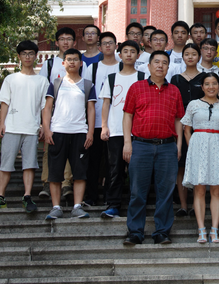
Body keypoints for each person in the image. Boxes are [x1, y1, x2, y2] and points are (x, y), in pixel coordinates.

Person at [122, 51, 185, 246]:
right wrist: (127, 142)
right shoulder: (136, 88)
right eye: (156, 62)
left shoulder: (174, 90)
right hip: (141, 145)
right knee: (137, 191)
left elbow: (178, 119)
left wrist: (179, 145)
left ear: (168, 67)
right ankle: (135, 232)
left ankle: (162, 232)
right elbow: (127, 116)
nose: (160, 66)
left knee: (165, 191)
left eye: (164, 63)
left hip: (167, 147)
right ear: (148, 66)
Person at [0, 40, 49, 213]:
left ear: (36, 56)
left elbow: (44, 106)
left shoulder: (42, 81)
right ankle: (0, 196)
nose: (27, 57)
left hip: (31, 128)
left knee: (29, 164)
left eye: (31, 54)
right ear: (19, 57)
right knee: (5, 163)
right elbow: (4, 102)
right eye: (24, 54)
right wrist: (1, 124)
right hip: (12, 127)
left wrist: (44, 126)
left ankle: (27, 196)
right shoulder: (10, 79)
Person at [181, 74, 219, 243]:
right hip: (198, 148)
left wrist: (215, 143)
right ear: (202, 87)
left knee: (216, 191)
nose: (211, 87)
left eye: (214, 84)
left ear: (218, 86)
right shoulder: (193, 104)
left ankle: (214, 230)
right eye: (207, 84)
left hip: (218, 148)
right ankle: (201, 230)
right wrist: (194, 147)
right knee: (199, 190)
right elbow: (186, 129)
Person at [42, 48, 96, 220]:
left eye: (75, 59)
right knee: (55, 173)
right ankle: (56, 207)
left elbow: (91, 110)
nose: (72, 62)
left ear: (81, 63)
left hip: (79, 132)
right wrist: (47, 129)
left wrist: (90, 133)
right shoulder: (56, 84)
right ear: (63, 63)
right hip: (57, 133)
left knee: (80, 172)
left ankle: (77, 206)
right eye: (69, 59)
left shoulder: (88, 85)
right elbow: (47, 108)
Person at [99, 40, 144, 218]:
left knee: (136, 170)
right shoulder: (112, 78)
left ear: (138, 55)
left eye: (133, 51)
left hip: (138, 133)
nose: (129, 54)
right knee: (115, 169)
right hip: (116, 130)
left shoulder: (142, 77)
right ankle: (113, 205)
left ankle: (136, 204)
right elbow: (106, 103)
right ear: (120, 54)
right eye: (125, 51)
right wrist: (104, 126)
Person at [38, 27, 81, 200]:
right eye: (62, 39)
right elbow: (42, 94)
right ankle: (47, 183)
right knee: (50, 150)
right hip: (54, 114)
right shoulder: (49, 64)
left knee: (70, 152)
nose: (65, 42)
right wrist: (43, 124)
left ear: (74, 42)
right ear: (56, 43)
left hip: (74, 116)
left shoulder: (79, 63)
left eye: (69, 39)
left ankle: (66, 185)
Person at [80, 31, 120, 207]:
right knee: (93, 161)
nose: (108, 46)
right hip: (96, 121)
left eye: (111, 43)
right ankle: (91, 197)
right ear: (100, 47)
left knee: (114, 163)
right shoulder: (93, 68)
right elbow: (86, 94)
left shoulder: (122, 67)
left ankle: (110, 198)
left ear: (116, 46)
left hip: (118, 123)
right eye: (104, 43)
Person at [170, 43, 207, 217]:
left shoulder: (205, 78)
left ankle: (196, 204)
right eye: (187, 54)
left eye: (194, 54)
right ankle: (184, 205)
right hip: (180, 124)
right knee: (181, 166)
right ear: (182, 57)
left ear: (199, 57)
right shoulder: (176, 79)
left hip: (201, 126)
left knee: (200, 166)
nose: (190, 57)